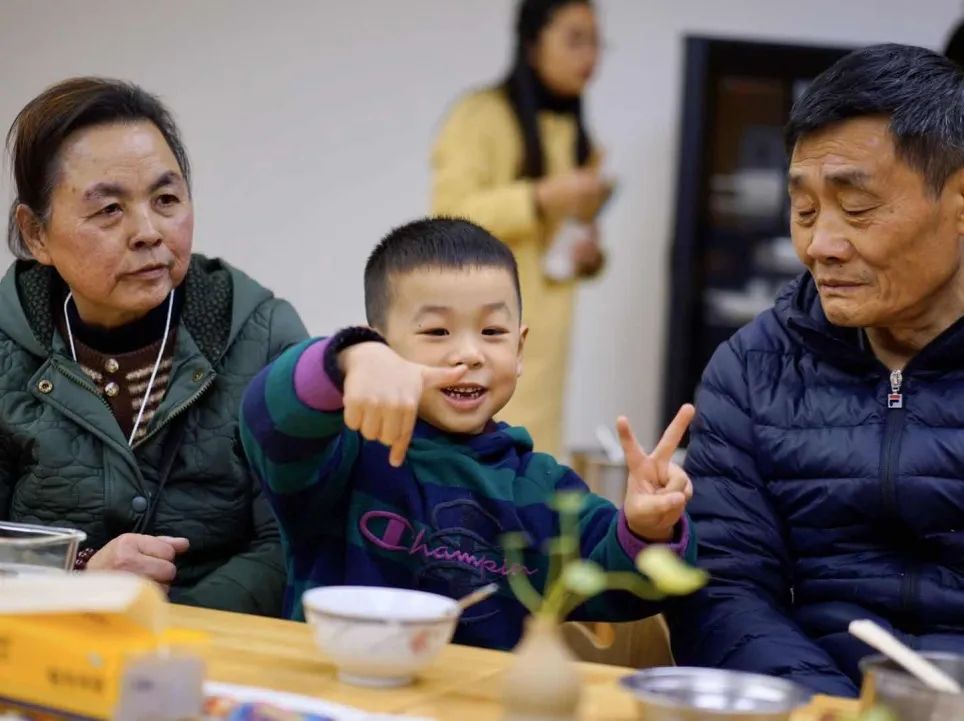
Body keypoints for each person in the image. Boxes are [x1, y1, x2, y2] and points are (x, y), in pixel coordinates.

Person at [240, 218, 695, 649]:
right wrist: (349, 358)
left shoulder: (541, 490)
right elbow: (269, 416)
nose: (469, 353)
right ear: (381, 344)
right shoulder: (342, 452)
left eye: (493, 331)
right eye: (437, 331)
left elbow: (629, 588)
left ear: (519, 349)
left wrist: (648, 526)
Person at [667, 44, 964, 696]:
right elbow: (724, 589)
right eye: (804, 211)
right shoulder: (752, 371)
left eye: (856, 208)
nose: (821, 245)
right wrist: (823, 708)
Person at [1, 77, 308, 615]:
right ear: (35, 235)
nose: (148, 231)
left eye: (166, 199)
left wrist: (167, 628)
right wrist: (73, 576)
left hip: (218, 652)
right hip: (39, 642)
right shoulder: (7, 343)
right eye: (109, 210)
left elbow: (291, 538)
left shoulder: (263, 335)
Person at [431, 0, 610, 456]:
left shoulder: (577, 135)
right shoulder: (480, 115)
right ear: (533, 44)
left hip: (543, 339)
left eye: (595, 42)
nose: (590, 56)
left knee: (532, 471)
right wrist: (541, 196)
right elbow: (448, 215)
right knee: (478, 467)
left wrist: (590, 256)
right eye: (575, 40)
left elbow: (564, 241)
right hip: (480, 332)